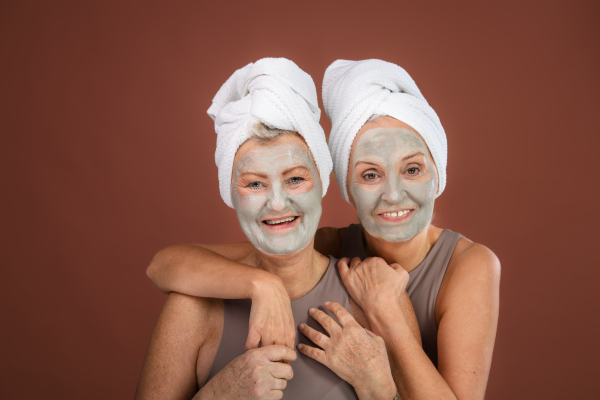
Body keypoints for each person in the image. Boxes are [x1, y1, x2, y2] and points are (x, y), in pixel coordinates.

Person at [147, 59, 500, 400]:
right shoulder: (328, 243)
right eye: (370, 174)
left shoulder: (433, 281)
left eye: (296, 179)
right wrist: (263, 288)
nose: (277, 204)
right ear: (345, 184)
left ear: (321, 185)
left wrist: (378, 388)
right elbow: (167, 263)